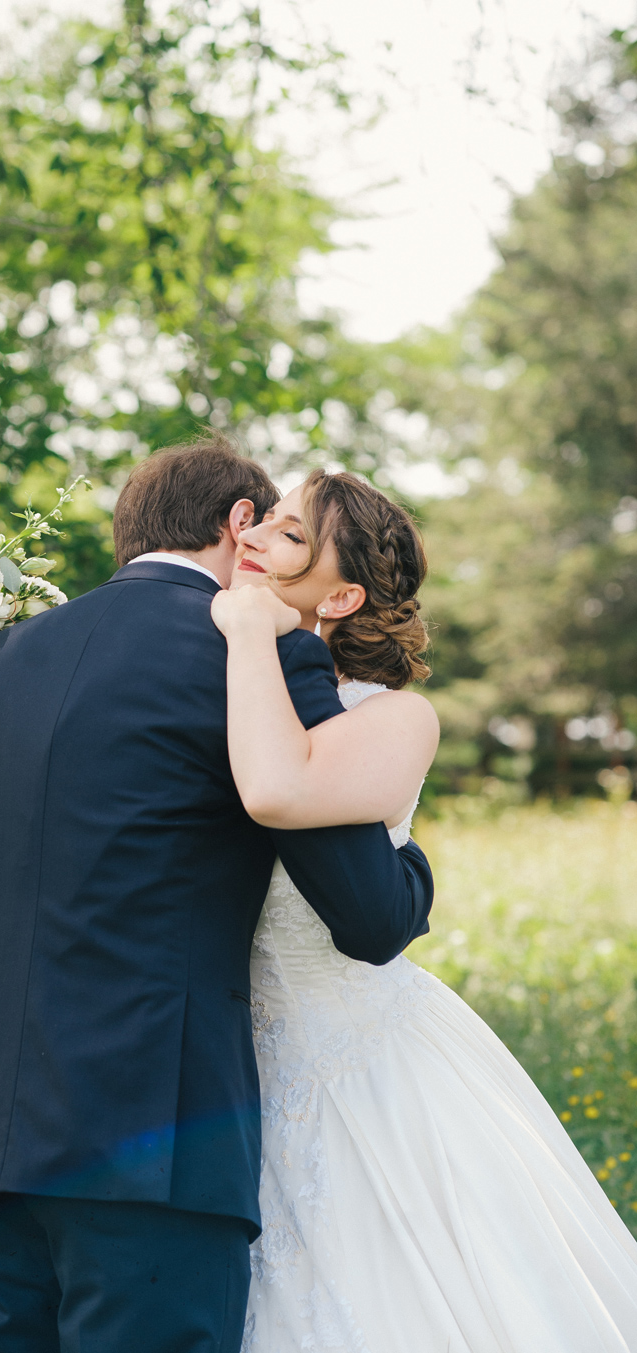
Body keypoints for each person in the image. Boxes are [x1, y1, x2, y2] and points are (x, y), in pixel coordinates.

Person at [0, 434, 434, 1353]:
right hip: (154, 1142)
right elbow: (367, 913)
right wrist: (411, 863)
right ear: (238, 522)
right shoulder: (268, 662)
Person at [211, 468, 637, 1353]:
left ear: (343, 593)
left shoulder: (393, 717)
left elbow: (282, 791)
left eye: (289, 536)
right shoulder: (203, 677)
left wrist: (257, 637)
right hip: (224, 1064)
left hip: (357, 1059)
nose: (252, 537)